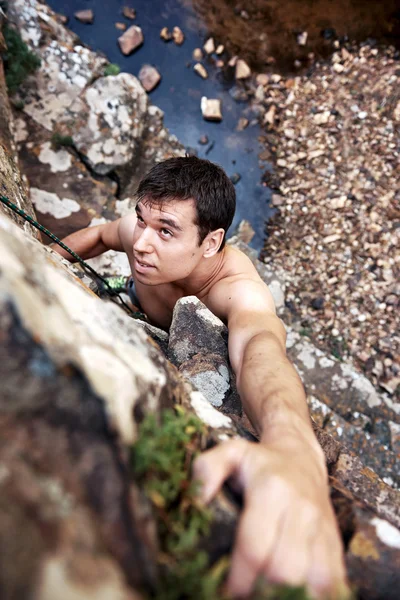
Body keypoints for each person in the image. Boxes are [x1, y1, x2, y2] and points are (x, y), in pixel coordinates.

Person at [53, 156, 348, 599]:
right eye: (141, 220)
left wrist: (293, 449)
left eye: (166, 231)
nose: (141, 244)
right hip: (136, 296)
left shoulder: (237, 289)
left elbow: (259, 349)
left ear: (211, 243)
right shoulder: (144, 235)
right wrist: (47, 260)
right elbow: (97, 236)